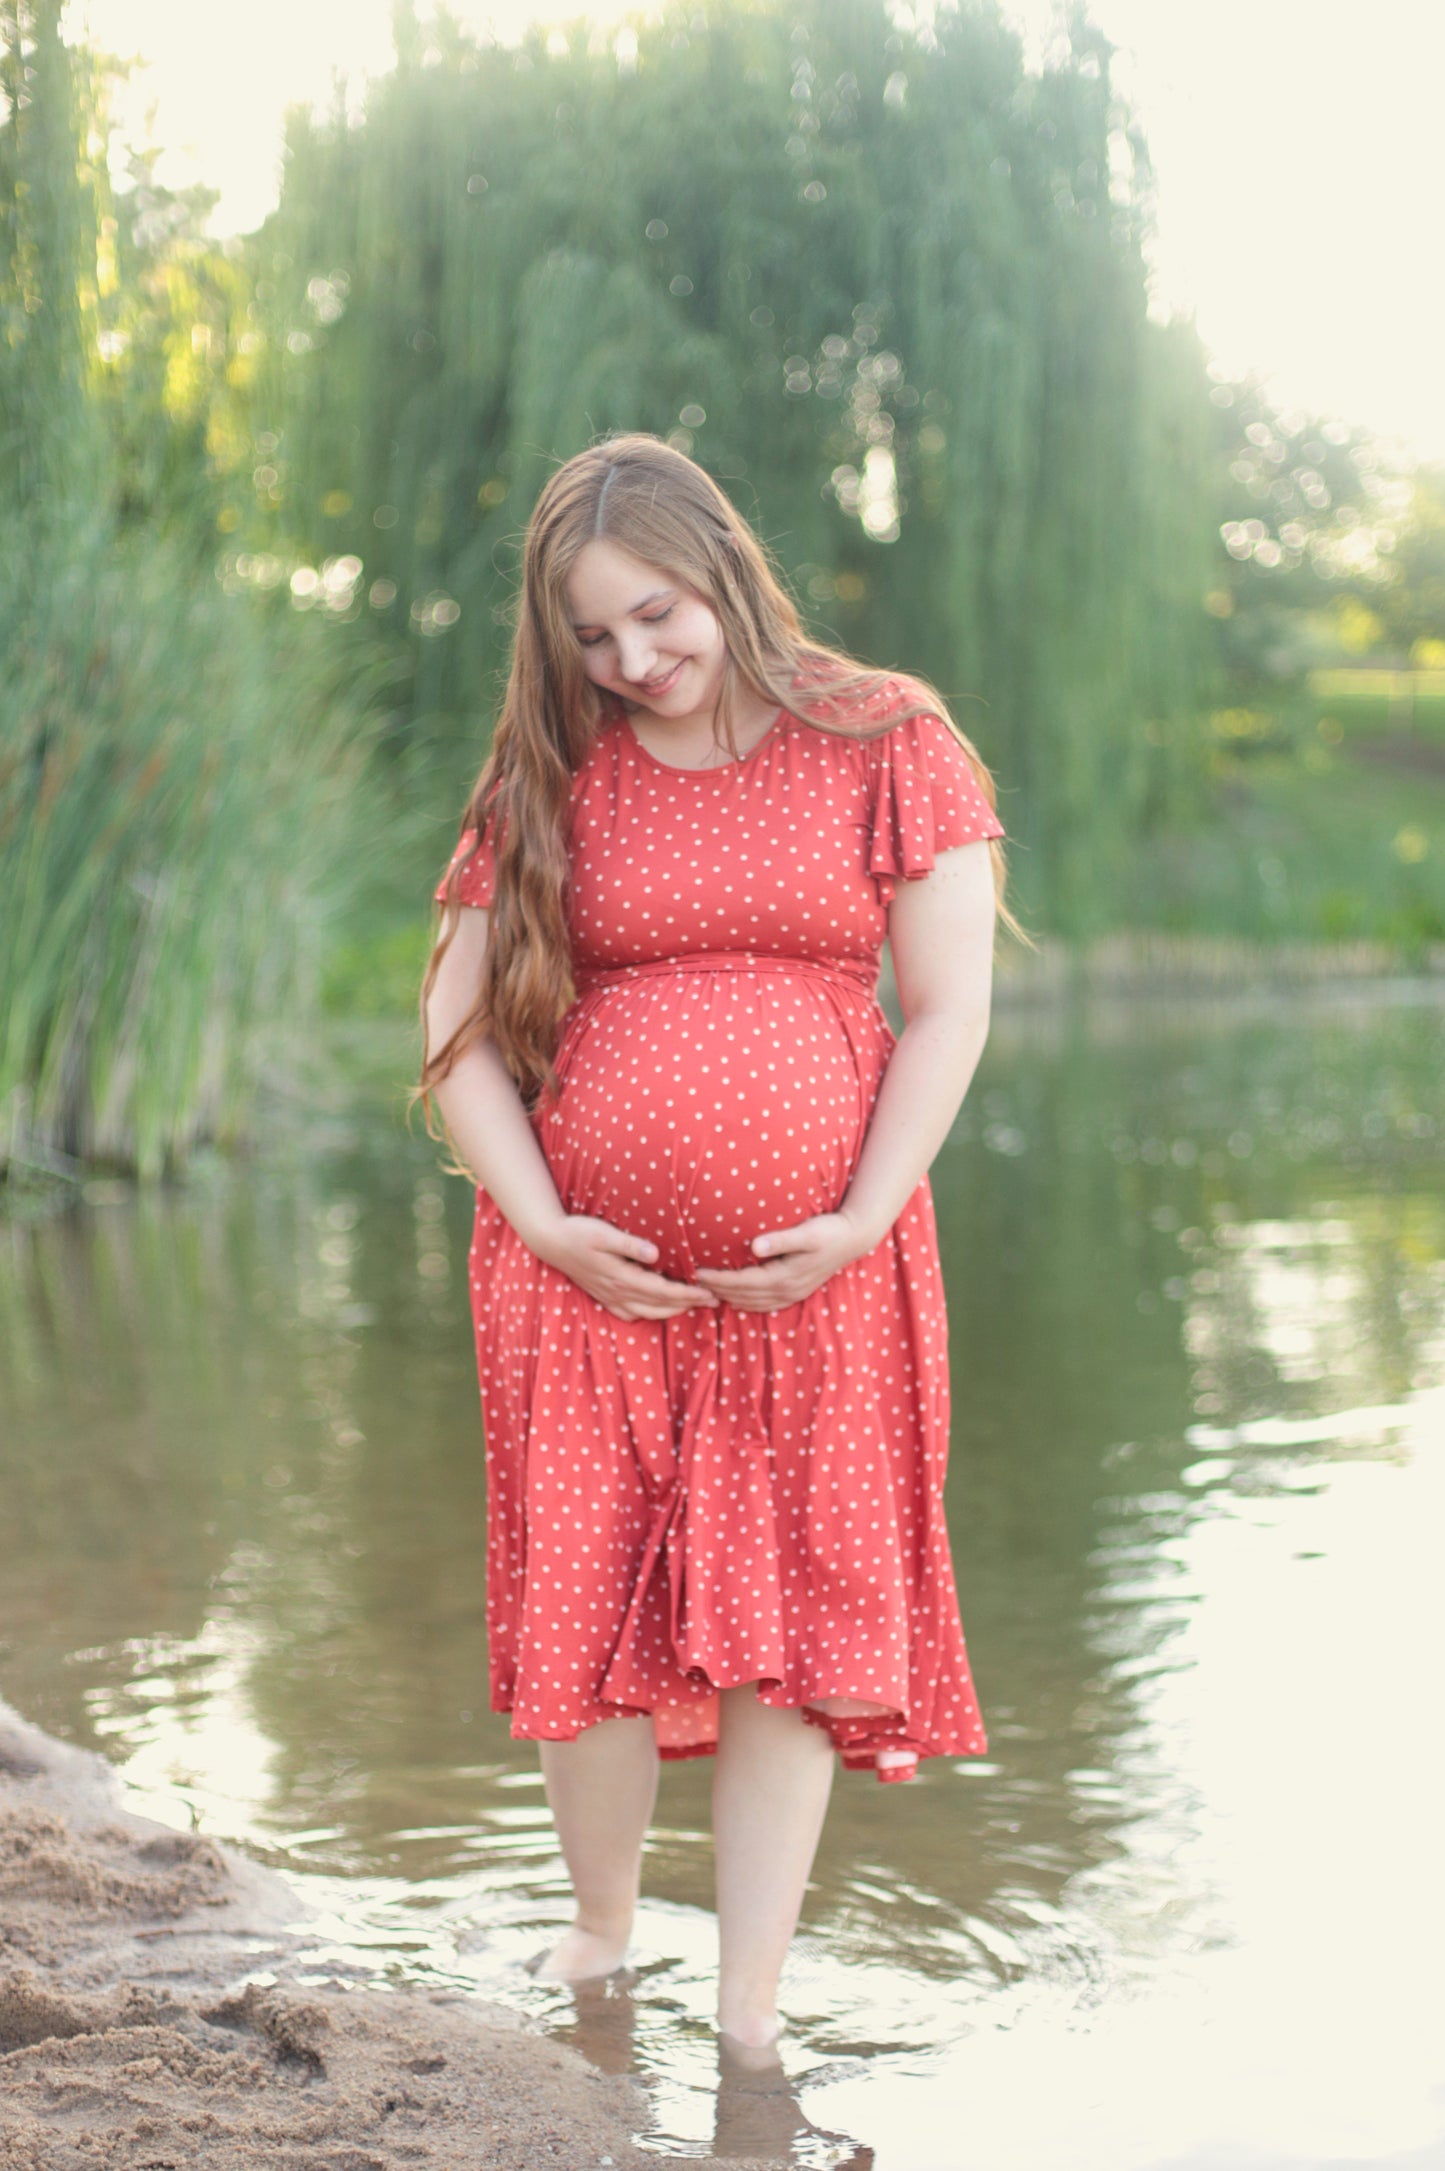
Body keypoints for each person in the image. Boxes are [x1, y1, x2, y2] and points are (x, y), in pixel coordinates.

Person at [417, 431, 1025, 2053]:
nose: (632, 662)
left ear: (728, 569)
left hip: (820, 1279)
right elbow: (456, 1032)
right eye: (591, 638)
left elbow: (948, 1008)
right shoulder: (552, 769)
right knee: (591, 1619)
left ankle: (748, 2014)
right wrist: (542, 1218)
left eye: (657, 616)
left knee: (791, 1632)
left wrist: (860, 1216)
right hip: (584, 1281)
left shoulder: (882, 736)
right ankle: (602, 1941)